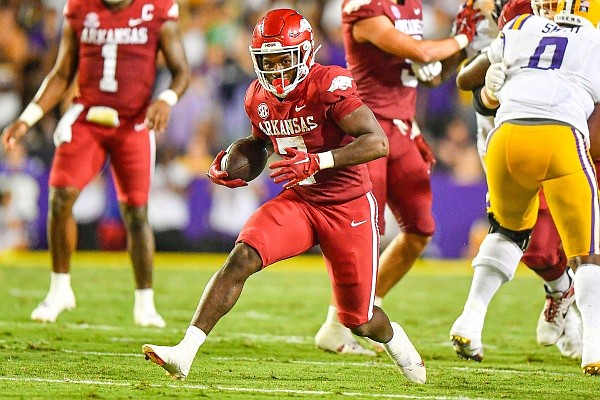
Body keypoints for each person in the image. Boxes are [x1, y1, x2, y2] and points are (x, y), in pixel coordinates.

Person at [142, 8, 427, 384]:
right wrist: (231, 162)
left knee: (359, 320)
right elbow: (260, 145)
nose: (275, 70)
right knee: (242, 256)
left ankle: (406, 354)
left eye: (283, 60)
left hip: (347, 207)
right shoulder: (257, 97)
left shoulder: (329, 83)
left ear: (305, 54)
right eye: (267, 61)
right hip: (301, 202)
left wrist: (317, 161)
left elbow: (378, 142)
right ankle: (185, 351)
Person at [1, 0, 190, 327]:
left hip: (133, 123)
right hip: (87, 117)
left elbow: (181, 71)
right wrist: (27, 118)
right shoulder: (79, 8)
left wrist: (166, 98)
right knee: (60, 197)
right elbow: (62, 73)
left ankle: (145, 301)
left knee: (136, 213)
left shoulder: (157, 9)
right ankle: (60, 289)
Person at [314, 0, 484, 355]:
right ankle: (337, 324)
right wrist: (463, 35)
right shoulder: (361, 8)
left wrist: (461, 45)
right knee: (362, 233)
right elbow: (421, 50)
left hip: (403, 129)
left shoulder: (411, 7)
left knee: (420, 230)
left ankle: (358, 309)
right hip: (367, 132)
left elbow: (431, 73)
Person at [448, 0, 600, 375]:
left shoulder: (518, 27)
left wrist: (490, 86)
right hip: (560, 137)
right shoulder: (590, 35)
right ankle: (595, 344)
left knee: (506, 233)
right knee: (586, 251)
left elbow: (464, 79)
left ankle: (470, 319)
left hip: (506, 140)